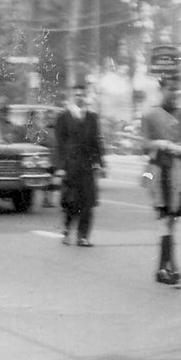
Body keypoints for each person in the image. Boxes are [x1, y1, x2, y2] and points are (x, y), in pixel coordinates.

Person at [140, 74, 181, 285]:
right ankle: (167, 267)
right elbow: (143, 144)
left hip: (180, 174)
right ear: (162, 90)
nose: (173, 94)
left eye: (176, 90)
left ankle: (164, 267)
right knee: (165, 220)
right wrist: (158, 144)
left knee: (171, 222)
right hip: (158, 172)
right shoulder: (150, 116)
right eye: (170, 90)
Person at [52, 83, 106, 246]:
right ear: (72, 97)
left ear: (86, 97)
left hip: (87, 166)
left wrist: (99, 163)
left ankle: (83, 236)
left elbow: (96, 142)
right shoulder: (64, 117)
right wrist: (60, 167)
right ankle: (67, 231)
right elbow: (59, 144)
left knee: (88, 202)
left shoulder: (92, 118)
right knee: (70, 201)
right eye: (77, 95)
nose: (80, 97)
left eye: (82, 95)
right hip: (70, 166)